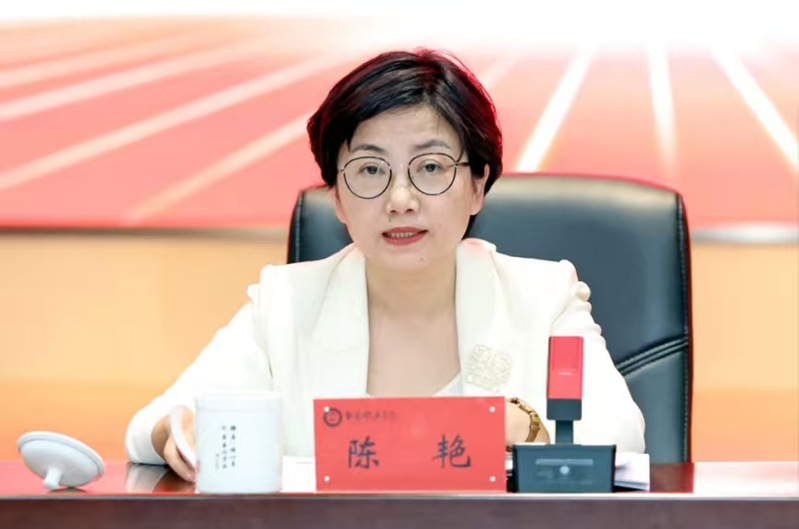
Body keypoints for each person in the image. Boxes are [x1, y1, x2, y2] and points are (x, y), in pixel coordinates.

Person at [126, 49, 645, 481]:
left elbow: (621, 435)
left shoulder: (543, 296)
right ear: (336, 197)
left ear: (477, 186)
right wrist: (179, 432)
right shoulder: (284, 304)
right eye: (371, 170)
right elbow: (155, 426)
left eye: (431, 167)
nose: (400, 200)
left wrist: (525, 427)